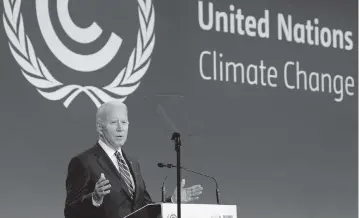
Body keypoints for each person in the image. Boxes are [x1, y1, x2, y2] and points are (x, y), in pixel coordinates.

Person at [64, 100, 203, 218]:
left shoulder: (132, 163)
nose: (120, 128)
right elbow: (70, 211)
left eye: (124, 122)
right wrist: (94, 198)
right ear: (100, 128)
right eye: (114, 122)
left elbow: (145, 209)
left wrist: (172, 201)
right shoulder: (83, 162)